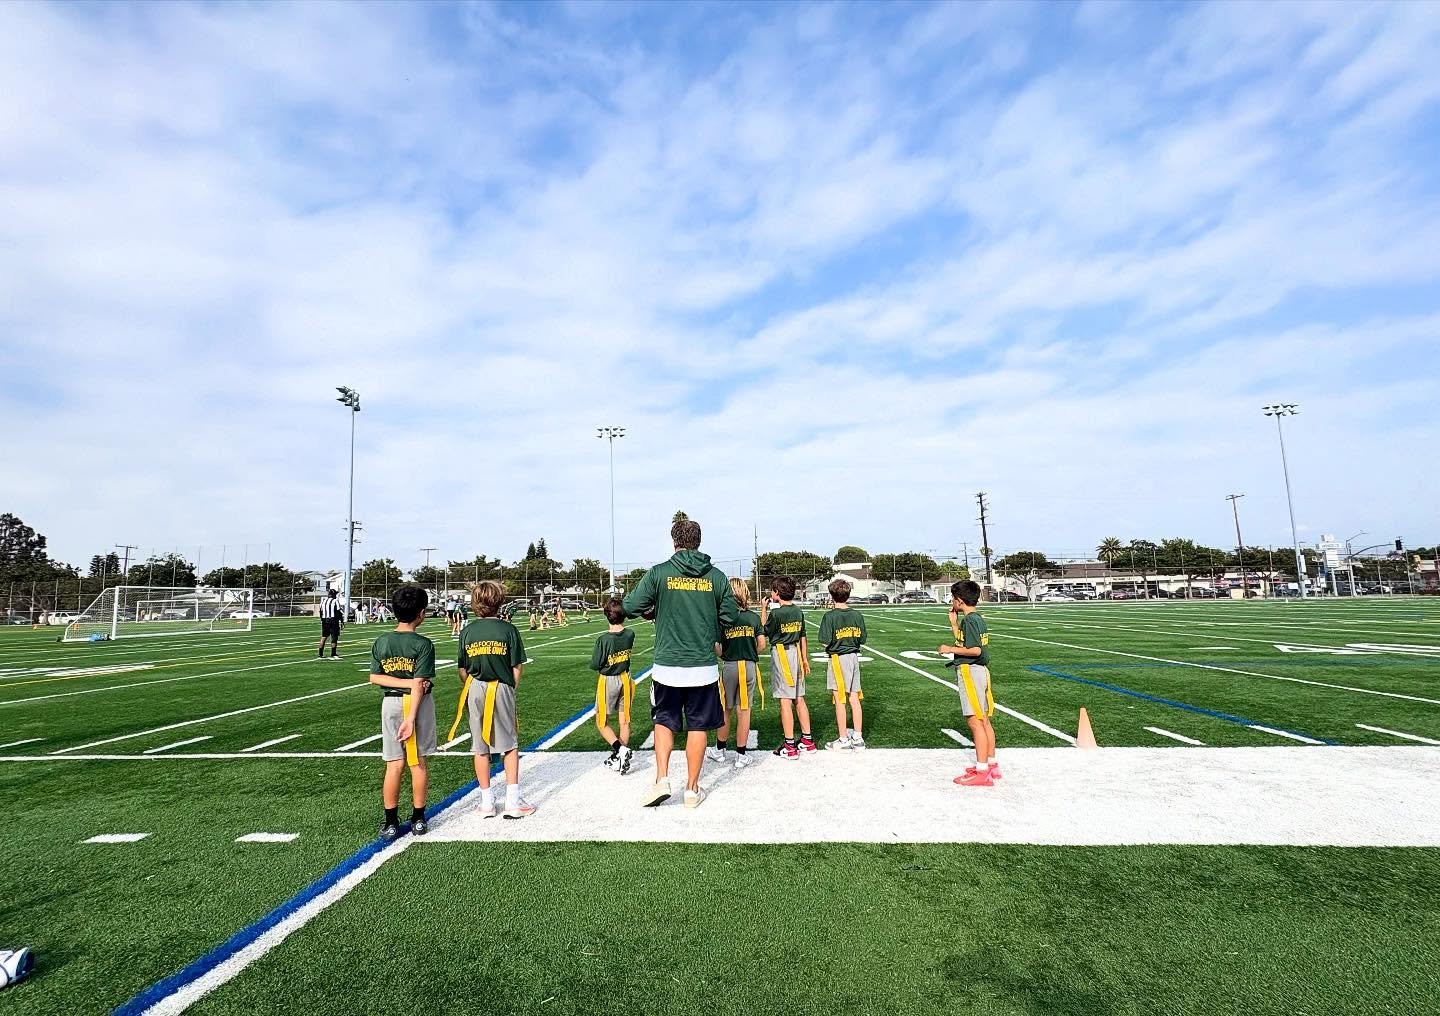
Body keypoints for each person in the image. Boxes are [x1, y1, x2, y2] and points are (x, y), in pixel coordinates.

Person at [623, 517, 738, 808]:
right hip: (702, 667)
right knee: (698, 726)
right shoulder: (716, 576)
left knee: (663, 721)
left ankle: (661, 779)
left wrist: (655, 608)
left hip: (667, 665)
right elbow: (730, 616)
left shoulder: (659, 573)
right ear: (698, 541)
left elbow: (631, 606)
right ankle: (691, 789)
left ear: (674, 541)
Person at [453, 580, 534, 819]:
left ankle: (487, 803)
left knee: (480, 747)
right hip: (501, 686)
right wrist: (510, 688)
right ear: (500, 602)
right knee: (509, 744)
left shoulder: (467, 631)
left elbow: (462, 669)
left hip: (474, 687)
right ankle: (512, 801)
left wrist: (472, 687)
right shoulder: (508, 630)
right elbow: (516, 666)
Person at [367, 583, 437, 840]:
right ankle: (418, 818)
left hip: (390, 703)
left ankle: (390, 822)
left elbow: (375, 677)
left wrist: (404, 683)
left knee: (394, 764)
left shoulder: (382, 641)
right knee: (417, 762)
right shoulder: (423, 644)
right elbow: (418, 684)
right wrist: (410, 715)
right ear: (421, 613)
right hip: (416, 705)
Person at [939, 579, 1000, 786]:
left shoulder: (970, 621)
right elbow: (965, 641)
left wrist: (949, 649)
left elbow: (974, 650)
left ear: (959, 600)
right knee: (983, 719)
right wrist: (953, 623)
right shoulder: (976, 619)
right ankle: (991, 765)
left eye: (953, 598)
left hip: (970, 671)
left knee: (975, 721)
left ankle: (982, 771)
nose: (952, 602)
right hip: (979, 671)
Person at [710, 576, 764, 769]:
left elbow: (717, 648)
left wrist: (726, 653)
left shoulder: (723, 619)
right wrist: (748, 652)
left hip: (730, 666)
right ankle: (741, 755)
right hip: (748, 666)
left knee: (726, 709)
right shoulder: (753, 617)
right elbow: (762, 645)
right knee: (744, 710)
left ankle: (720, 750)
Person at [761, 575, 814, 758]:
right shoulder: (798, 611)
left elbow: (764, 630)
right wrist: (804, 658)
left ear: (777, 593)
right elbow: (803, 636)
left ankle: (789, 745)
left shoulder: (777, 613)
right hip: (797, 653)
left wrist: (763, 608)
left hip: (783, 654)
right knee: (799, 698)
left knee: (785, 700)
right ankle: (807, 740)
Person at [819, 578, 868, 750]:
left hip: (838, 658)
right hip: (854, 657)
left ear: (831, 596)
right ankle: (858, 737)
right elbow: (862, 639)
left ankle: (843, 740)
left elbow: (825, 641)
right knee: (854, 697)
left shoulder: (830, 616)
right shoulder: (857, 615)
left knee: (839, 699)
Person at [591, 598, 636, 774]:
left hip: (608, 679)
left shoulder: (603, 640)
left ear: (607, 616)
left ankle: (620, 750)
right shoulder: (630, 634)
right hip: (626, 678)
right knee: (624, 721)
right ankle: (619, 757)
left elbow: (596, 664)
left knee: (601, 721)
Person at [317, 587, 342, 659]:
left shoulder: (323, 601)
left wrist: (322, 620)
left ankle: (320, 653)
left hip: (324, 620)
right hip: (333, 620)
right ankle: (333, 653)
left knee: (324, 637)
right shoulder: (335, 601)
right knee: (334, 637)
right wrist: (341, 621)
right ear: (333, 595)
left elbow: (321, 612)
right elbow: (338, 612)